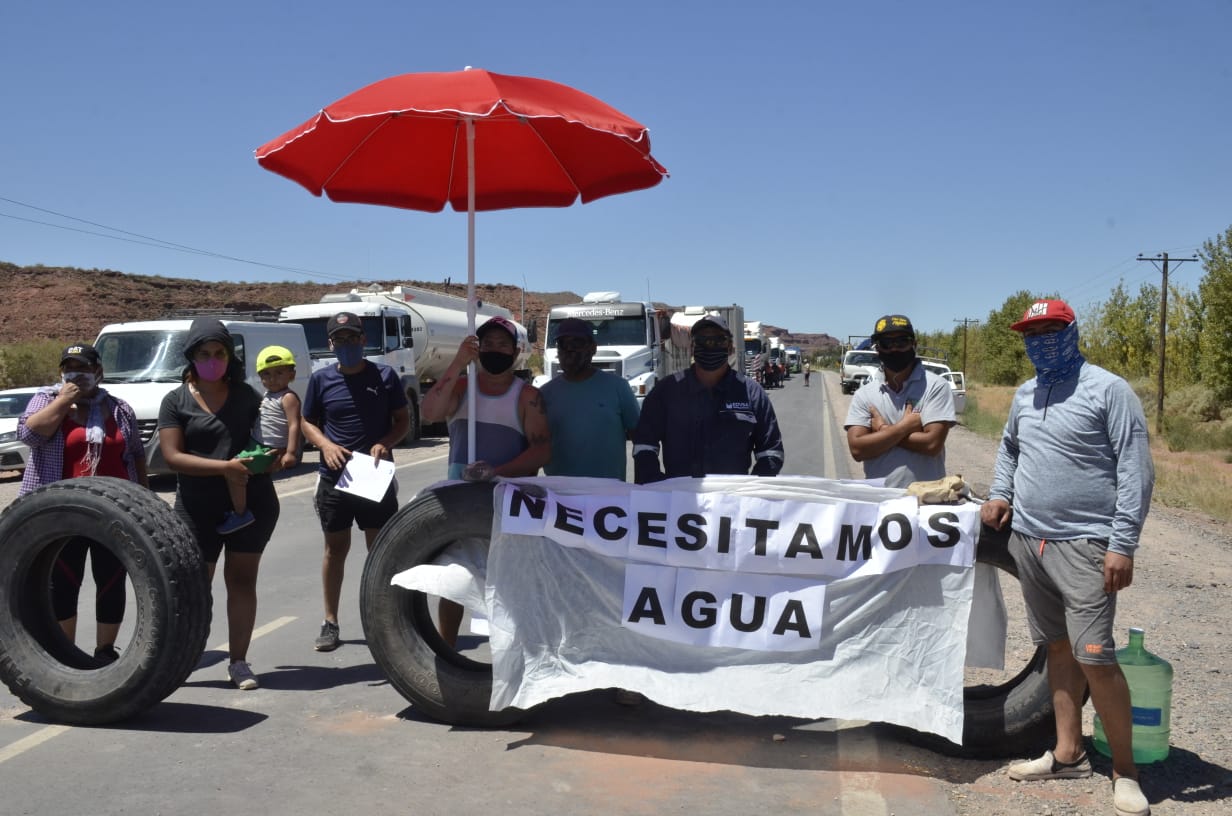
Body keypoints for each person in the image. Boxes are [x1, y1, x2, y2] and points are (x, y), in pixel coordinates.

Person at [980, 300, 1153, 816]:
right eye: (1032, 333)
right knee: (1056, 649)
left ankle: (1125, 772)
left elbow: (1135, 469)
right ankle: (1067, 753)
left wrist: (1122, 544)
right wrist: (1000, 492)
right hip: (1029, 541)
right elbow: (1010, 448)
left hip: (1087, 544)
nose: (1042, 340)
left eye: (1052, 329)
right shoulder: (1026, 393)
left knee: (1095, 659)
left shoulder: (1109, 389)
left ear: (1072, 331)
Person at [158, 319, 281, 690]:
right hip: (196, 509)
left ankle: (239, 663)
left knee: (242, 582)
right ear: (191, 357)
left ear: (229, 356)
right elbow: (172, 457)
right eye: (204, 354)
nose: (212, 360)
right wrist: (224, 468)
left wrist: (268, 458)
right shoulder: (175, 400)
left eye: (219, 353)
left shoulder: (246, 396)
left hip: (250, 504)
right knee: (194, 586)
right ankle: (182, 658)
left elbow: (271, 443)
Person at [421, 315, 551, 645]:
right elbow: (429, 413)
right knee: (452, 582)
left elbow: (541, 452)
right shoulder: (461, 388)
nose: (495, 350)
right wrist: (457, 364)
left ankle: (509, 658)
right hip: (458, 504)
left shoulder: (527, 397)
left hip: (507, 505)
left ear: (516, 350)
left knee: (506, 587)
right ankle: (446, 650)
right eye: (487, 344)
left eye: (502, 345)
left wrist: (497, 472)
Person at [18, 343, 148, 663]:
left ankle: (104, 651)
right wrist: (64, 401)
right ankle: (66, 653)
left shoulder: (118, 409)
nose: (77, 374)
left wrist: (145, 500)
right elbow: (29, 434)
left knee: (111, 579)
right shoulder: (47, 400)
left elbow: (135, 454)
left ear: (99, 372)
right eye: (69, 368)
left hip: (115, 511)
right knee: (63, 581)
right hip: (64, 513)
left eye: (85, 368)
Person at [301, 311, 410, 653]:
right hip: (335, 479)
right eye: (340, 339)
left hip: (373, 477)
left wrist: (386, 443)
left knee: (380, 550)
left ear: (364, 340)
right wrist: (325, 445)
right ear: (331, 344)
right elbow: (307, 423)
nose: (347, 345)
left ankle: (386, 619)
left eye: (353, 338)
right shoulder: (321, 381)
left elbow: (403, 421)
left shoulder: (386, 376)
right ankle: (330, 621)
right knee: (335, 550)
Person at [633, 314, 784, 484]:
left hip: (732, 502)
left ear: (730, 348)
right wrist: (657, 487)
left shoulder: (753, 393)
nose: (710, 345)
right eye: (702, 340)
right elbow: (644, 445)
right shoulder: (666, 391)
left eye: (719, 340)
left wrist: (748, 494)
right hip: (678, 501)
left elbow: (771, 452)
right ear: (692, 347)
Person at [844, 314, 956, 488]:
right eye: (886, 344)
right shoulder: (864, 394)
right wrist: (905, 427)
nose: (894, 349)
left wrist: (882, 430)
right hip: (879, 499)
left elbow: (932, 444)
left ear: (914, 344)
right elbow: (858, 449)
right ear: (877, 349)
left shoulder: (936, 386)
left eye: (902, 342)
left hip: (927, 499)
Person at [539, 317, 640, 480]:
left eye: (577, 343)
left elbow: (639, 439)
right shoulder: (544, 394)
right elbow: (536, 447)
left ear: (593, 348)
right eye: (563, 344)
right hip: (560, 497)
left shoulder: (618, 387)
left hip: (608, 494)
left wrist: (639, 487)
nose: (569, 349)